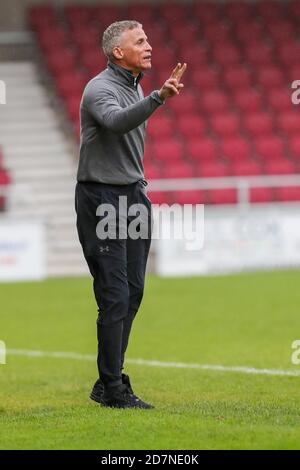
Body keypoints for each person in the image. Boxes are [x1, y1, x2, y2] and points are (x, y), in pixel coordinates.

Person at [75, 20, 186, 409]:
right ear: (117, 52)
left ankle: (107, 382)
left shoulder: (132, 86)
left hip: (132, 196)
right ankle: (113, 388)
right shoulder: (100, 88)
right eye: (139, 41)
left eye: (148, 39)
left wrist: (152, 95)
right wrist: (159, 97)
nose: (149, 45)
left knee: (133, 292)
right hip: (102, 198)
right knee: (115, 295)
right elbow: (117, 123)